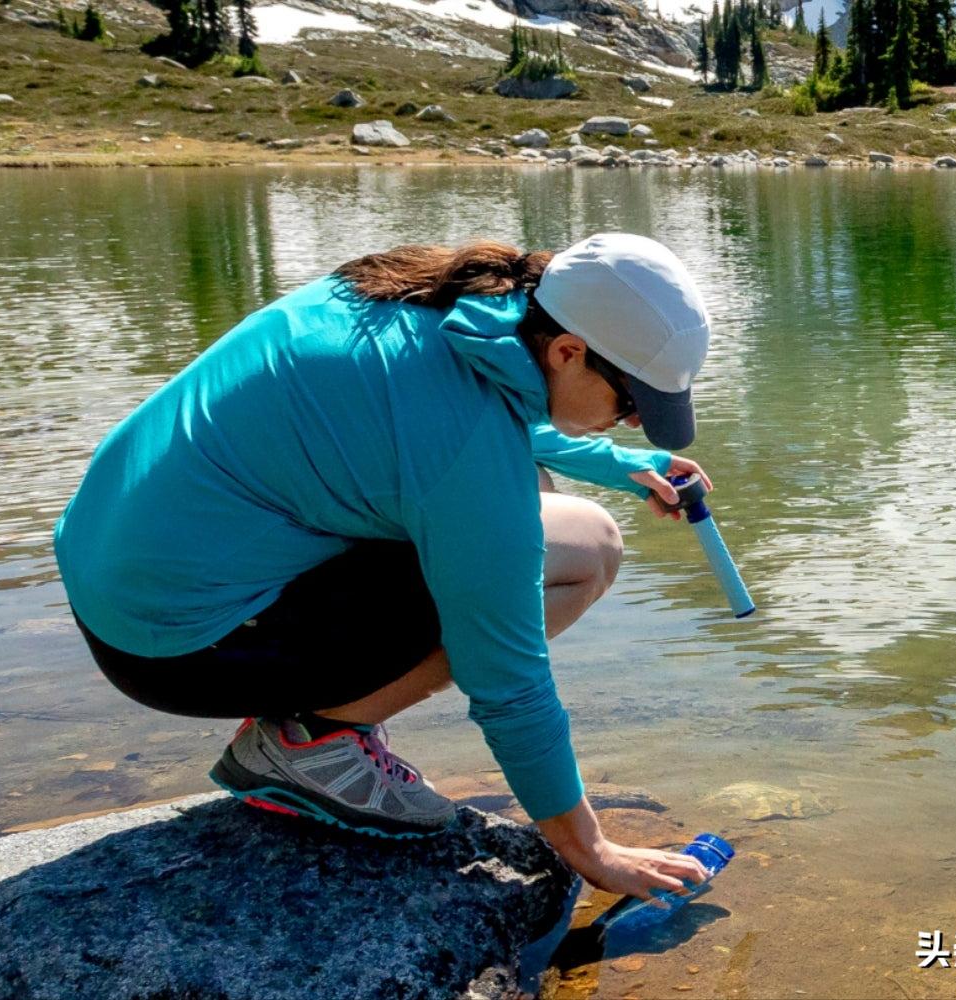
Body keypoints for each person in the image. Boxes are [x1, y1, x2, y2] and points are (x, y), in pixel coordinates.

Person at [54, 233, 714, 902]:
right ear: (568, 351)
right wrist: (590, 850)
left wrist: (619, 465)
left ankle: (315, 720)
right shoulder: (463, 445)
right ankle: (313, 743)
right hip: (176, 649)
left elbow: (449, 415)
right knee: (585, 552)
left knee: (527, 497)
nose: (634, 422)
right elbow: (508, 681)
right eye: (631, 403)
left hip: (114, 583)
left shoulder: (429, 299)